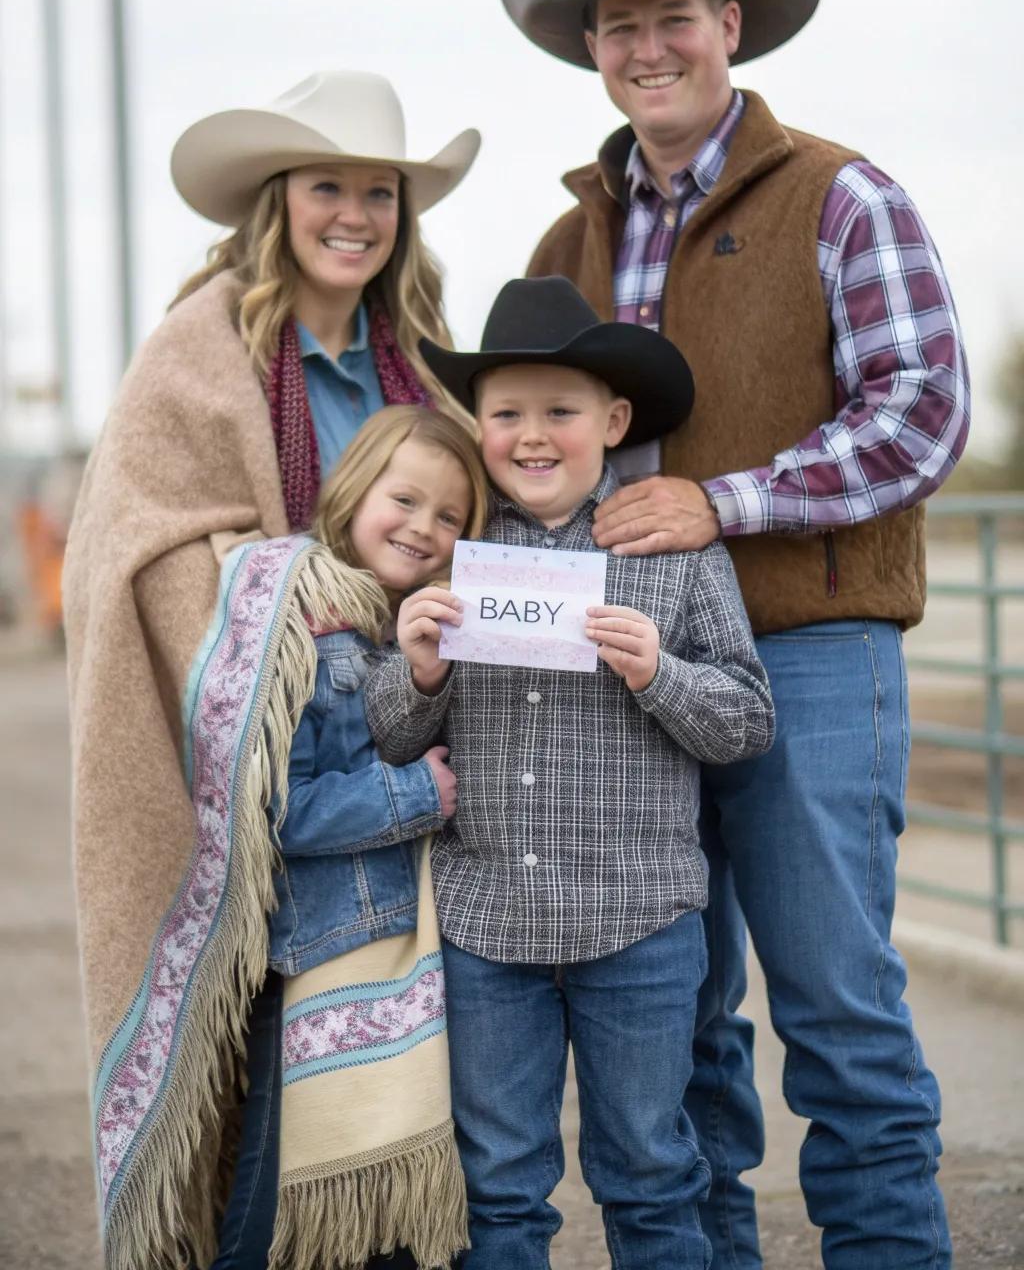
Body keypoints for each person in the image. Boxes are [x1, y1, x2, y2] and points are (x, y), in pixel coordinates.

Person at [501, 0, 970, 1268]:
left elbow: (922, 413)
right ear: (593, 50)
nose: (647, 48)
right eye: (617, 27)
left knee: (836, 1014)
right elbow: (519, 451)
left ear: (731, 24)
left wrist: (723, 502)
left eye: (672, 20)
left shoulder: (843, 196)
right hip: (627, 684)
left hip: (812, 656)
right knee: (677, 1033)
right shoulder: (565, 243)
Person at [62, 70, 480, 1270]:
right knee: (269, 1091)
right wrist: (294, 591)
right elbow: (123, 546)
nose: (353, 214)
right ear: (277, 199)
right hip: (271, 757)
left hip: (401, 721)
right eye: (327, 188)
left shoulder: (419, 357)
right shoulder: (203, 347)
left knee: (392, 1098)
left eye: (379, 194)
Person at [364, 275, 775, 1269]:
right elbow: (385, 732)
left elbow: (750, 722)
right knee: (498, 1184)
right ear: (479, 423)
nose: (533, 435)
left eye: (562, 411)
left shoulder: (672, 560)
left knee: (647, 1172)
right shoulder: (454, 554)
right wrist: (416, 671)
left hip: (639, 924)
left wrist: (659, 673)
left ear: (613, 419)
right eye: (507, 413)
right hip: (486, 924)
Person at [263, 404, 488, 1270]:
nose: (423, 528)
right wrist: (412, 794)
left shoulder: (436, 625)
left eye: (449, 517)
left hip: (428, 946)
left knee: (416, 1212)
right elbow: (280, 811)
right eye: (405, 499)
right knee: (335, 1214)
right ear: (354, 488)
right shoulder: (311, 632)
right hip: (342, 948)